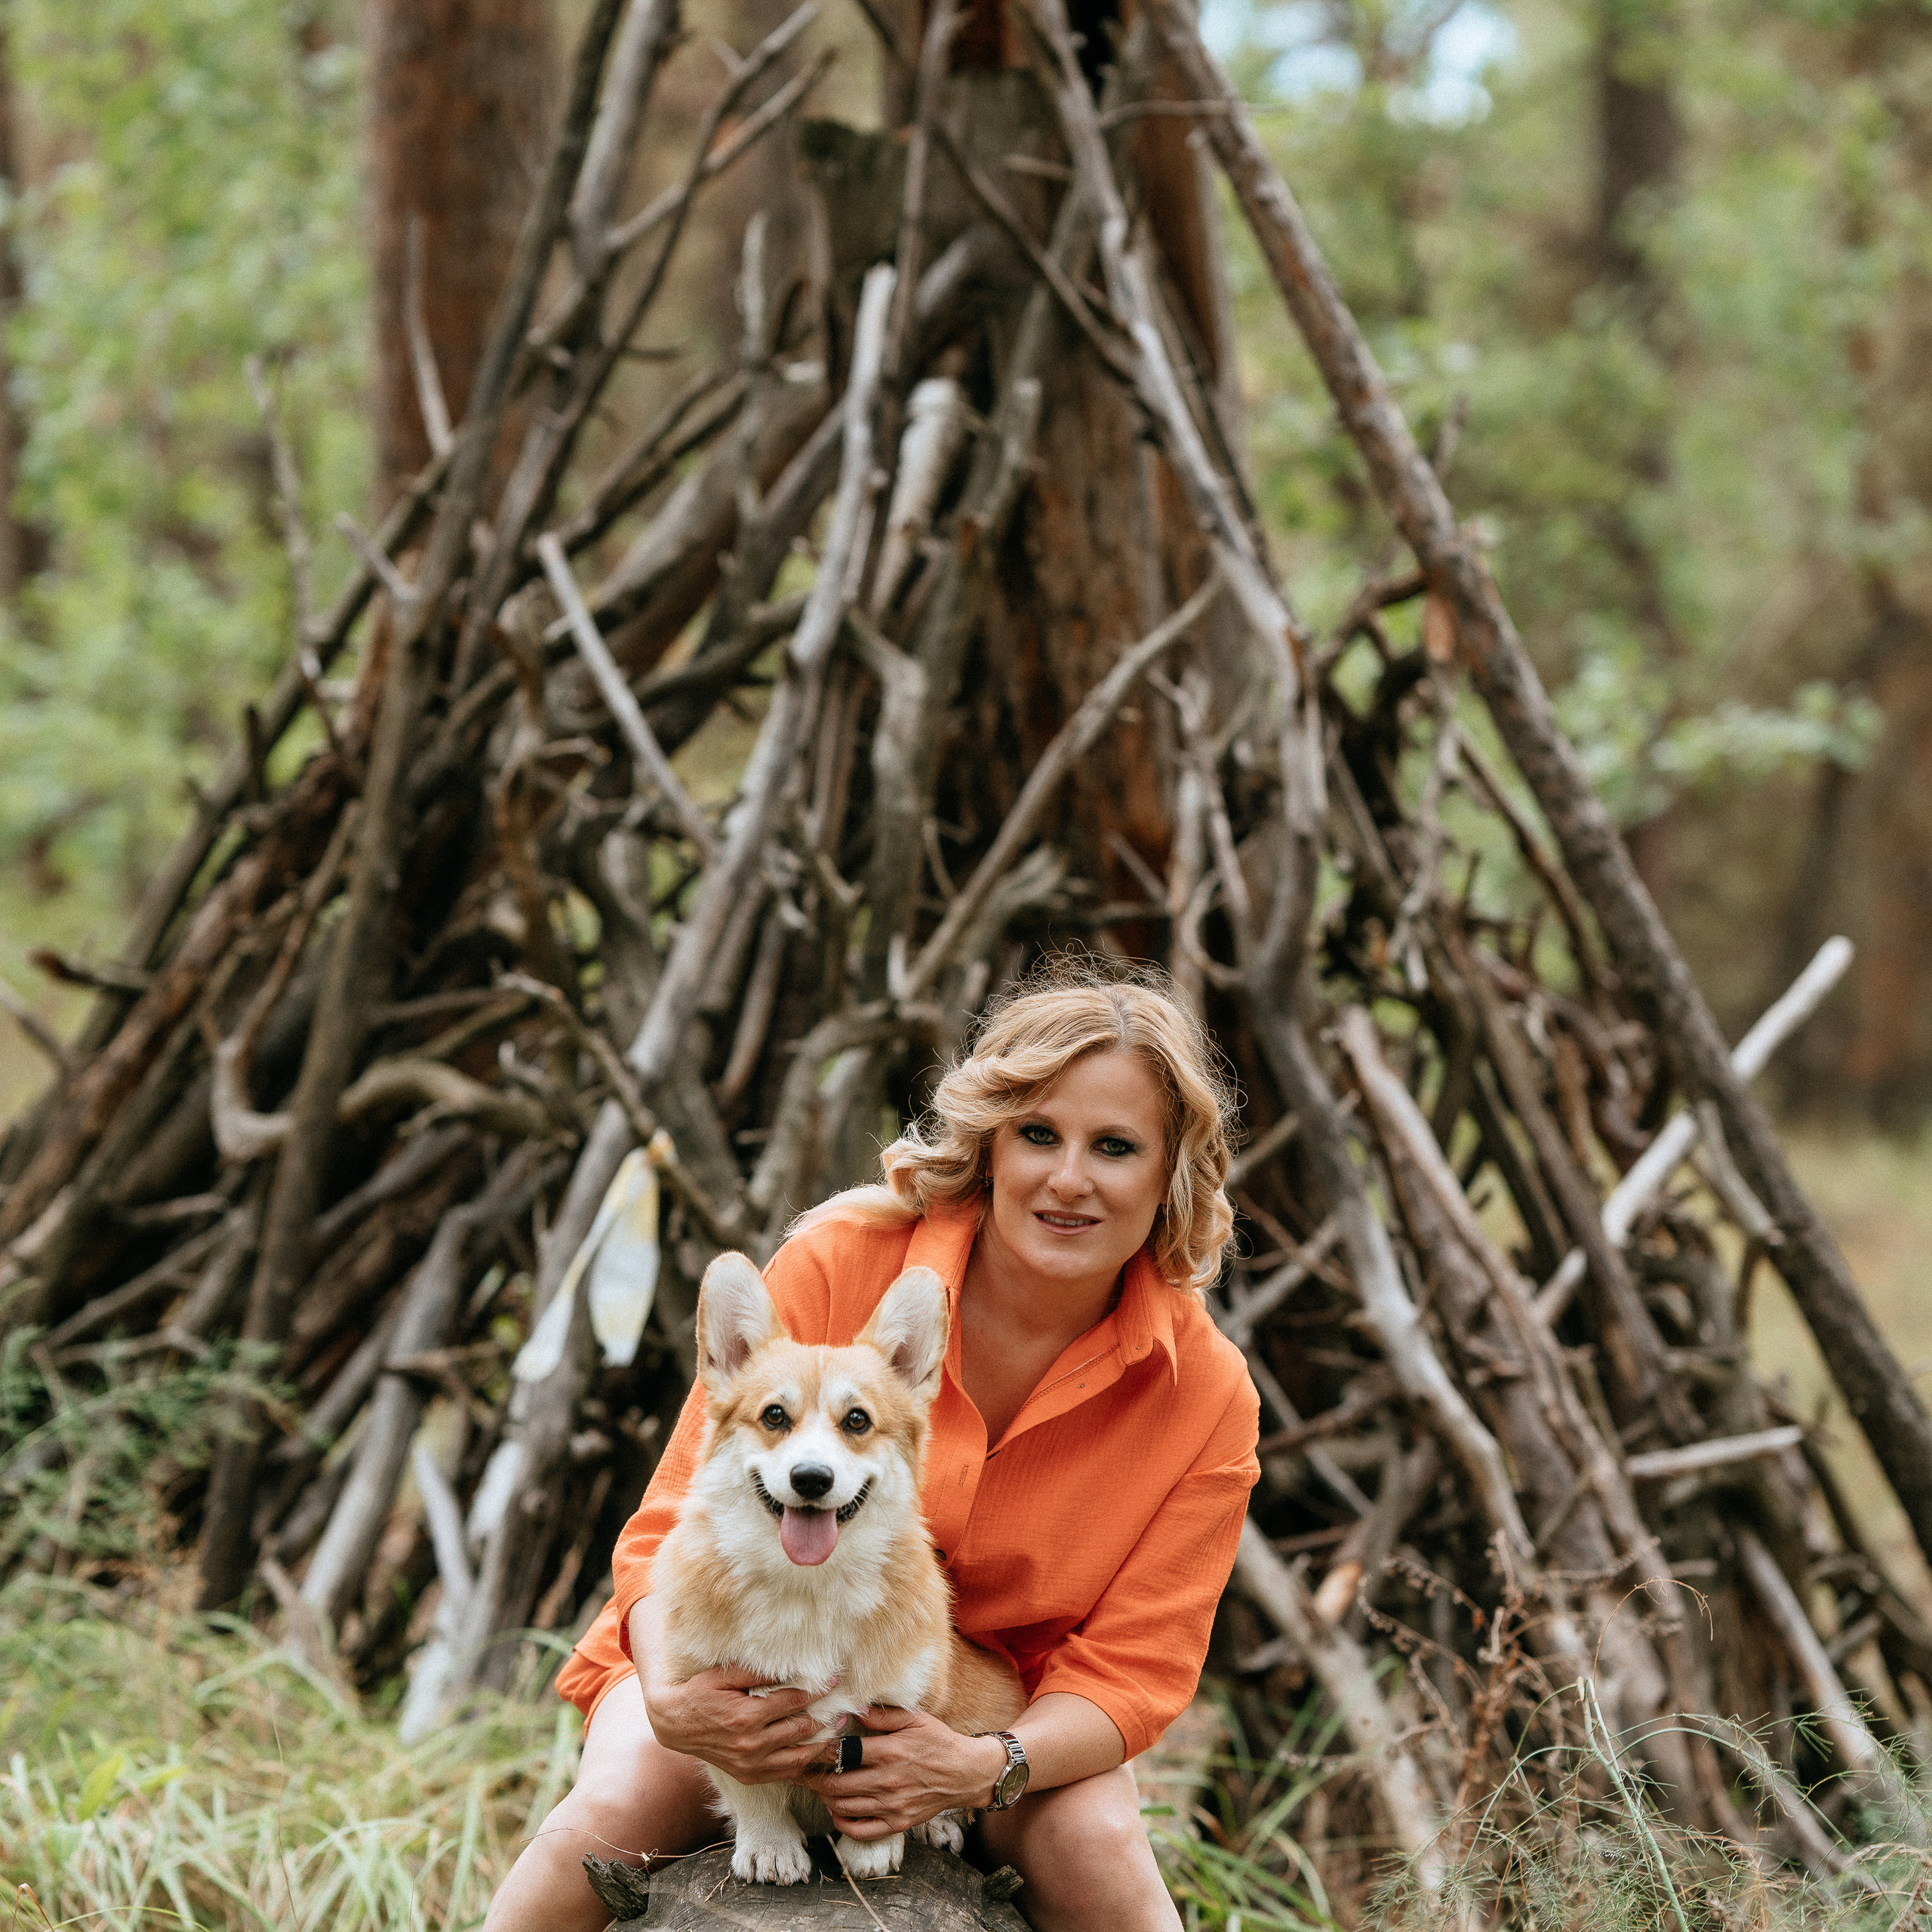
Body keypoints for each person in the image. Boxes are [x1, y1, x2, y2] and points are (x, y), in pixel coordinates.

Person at [483, 964, 1260, 1932]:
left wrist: (981, 1767)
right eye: (1036, 1134)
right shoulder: (839, 1260)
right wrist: (675, 1697)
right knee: (607, 1816)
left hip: (1000, 1714)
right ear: (988, 1143)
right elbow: (663, 1530)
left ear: (1168, 1172)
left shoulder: (1205, 1395)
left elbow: (1135, 1671)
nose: (1068, 1179)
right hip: (736, 1656)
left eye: (1114, 1146)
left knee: (1098, 1849)